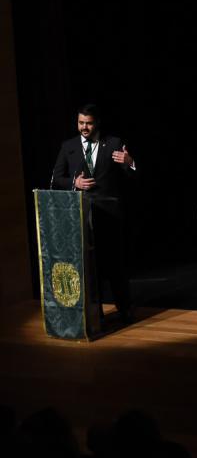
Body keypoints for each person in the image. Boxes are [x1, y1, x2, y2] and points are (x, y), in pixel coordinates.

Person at [51, 103, 138, 321]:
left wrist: (130, 162)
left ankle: (125, 308)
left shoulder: (114, 143)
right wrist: (75, 182)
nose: (84, 127)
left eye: (88, 123)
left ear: (96, 123)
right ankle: (94, 310)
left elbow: (131, 177)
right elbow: (56, 178)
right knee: (90, 265)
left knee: (115, 262)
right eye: (81, 123)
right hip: (80, 213)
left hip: (109, 212)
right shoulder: (68, 146)